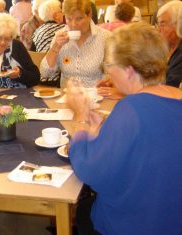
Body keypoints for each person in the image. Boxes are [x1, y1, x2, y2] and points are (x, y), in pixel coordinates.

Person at [66, 22, 182, 235]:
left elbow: (89, 169)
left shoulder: (132, 109)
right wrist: (103, 129)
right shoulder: (173, 97)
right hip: (172, 218)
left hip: (137, 223)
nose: (108, 74)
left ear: (129, 70)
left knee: (82, 211)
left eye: (109, 66)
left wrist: (80, 117)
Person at [41, 0, 111, 87]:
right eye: (69, 19)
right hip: (67, 95)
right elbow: (45, 73)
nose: (73, 24)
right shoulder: (60, 36)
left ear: (89, 15)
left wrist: (107, 82)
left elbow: (111, 73)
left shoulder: (105, 37)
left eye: (79, 18)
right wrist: (56, 47)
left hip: (95, 95)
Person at [32, 0, 65, 86]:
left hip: (40, 78)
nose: (63, 14)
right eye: (61, 12)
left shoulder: (37, 31)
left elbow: (33, 53)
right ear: (56, 16)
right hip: (57, 79)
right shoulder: (63, 30)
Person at [156, 0, 182, 88]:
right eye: (158, 25)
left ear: (178, 25)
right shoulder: (164, 49)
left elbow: (169, 86)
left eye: (162, 25)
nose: (158, 30)